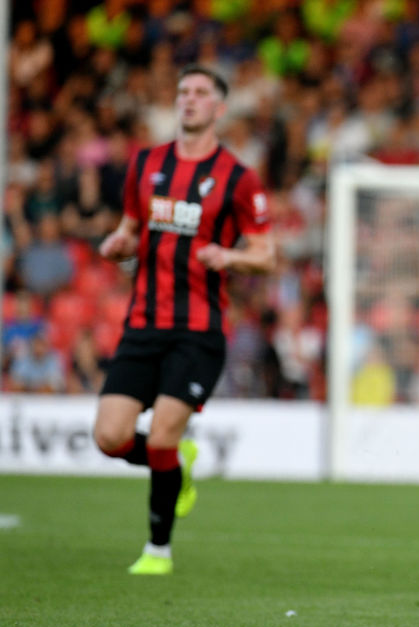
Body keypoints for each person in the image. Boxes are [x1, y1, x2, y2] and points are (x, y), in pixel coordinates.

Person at [91, 65, 275, 575]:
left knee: (167, 433)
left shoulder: (238, 178)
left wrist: (230, 256)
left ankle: (157, 550)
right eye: (182, 92)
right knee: (109, 437)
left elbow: (266, 254)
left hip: (198, 330)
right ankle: (177, 466)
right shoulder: (146, 165)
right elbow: (130, 228)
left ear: (219, 108)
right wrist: (119, 243)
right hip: (143, 324)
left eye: (200, 93)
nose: (188, 99)